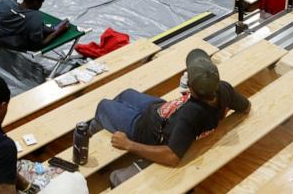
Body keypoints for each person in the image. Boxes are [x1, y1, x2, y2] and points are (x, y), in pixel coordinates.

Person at [89, 49, 250, 167]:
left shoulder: (189, 115)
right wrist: (220, 114)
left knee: (103, 106)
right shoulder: (224, 89)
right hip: (159, 110)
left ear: (192, 90)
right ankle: (108, 122)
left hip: (143, 130)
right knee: (126, 94)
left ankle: (94, 130)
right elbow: (246, 107)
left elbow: (172, 156)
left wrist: (128, 145)